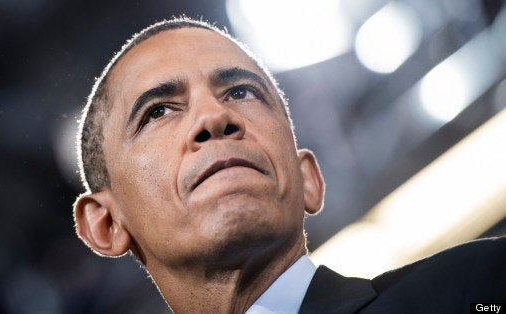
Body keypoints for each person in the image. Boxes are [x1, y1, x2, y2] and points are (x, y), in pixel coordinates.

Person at [72, 17, 505, 313]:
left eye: (241, 92)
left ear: (308, 179)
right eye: (159, 111)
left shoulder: (483, 287)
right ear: (106, 223)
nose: (212, 118)